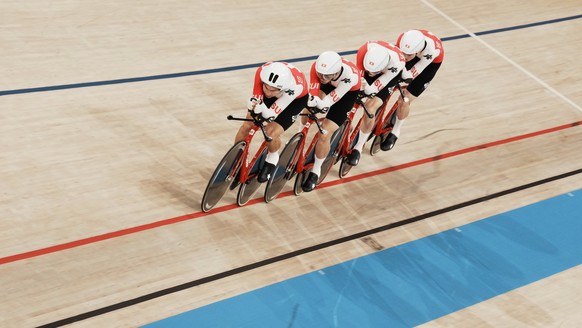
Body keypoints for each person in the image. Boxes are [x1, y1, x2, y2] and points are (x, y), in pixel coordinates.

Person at [234, 61, 309, 183]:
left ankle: (273, 158)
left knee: (270, 132)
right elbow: (257, 99)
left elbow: (270, 115)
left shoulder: (295, 87)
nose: (268, 92)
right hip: (276, 91)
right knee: (247, 125)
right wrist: (254, 104)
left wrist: (261, 108)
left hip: (294, 100)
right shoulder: (262, 72)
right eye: (266, 88)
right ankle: (237, 159)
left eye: (272, 90)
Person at [300, 51, 362, 192]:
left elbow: (329, 101)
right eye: (320, 74)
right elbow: (315, 92)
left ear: (336, 73)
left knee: (324, 133)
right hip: (330, 85)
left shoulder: (349, 76)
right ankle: (300, 135)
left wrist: (320, 103)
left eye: (326, 75)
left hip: (347, 92)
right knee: (308, 108)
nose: (322, 78)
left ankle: (316, 171)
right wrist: (312, 102)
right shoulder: (318, 70)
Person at [381, 29, 444, 151]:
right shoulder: (403, 39)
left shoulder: (431, 51)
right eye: (403, 53)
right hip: (414, 53)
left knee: (405, 99)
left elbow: (412, 74)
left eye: (408, 55)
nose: (405, 57)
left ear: (418, 51)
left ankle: (395, 132)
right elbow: (398, 58)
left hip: (429, 64)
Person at [346, 40, 406, 166]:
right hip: (371, 67)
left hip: (388, 76)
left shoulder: (396, 64)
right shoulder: (363, 51)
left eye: (373, 73)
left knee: (370, 107)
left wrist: (368, 89)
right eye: (369, 71)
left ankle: (359, 146)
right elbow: (360, 78)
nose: (370, 74)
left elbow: (372, 90)